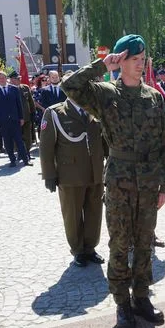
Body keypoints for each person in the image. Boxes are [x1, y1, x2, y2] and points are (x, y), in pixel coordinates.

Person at [61, 34, 165, 328]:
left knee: (144, 243)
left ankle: (141, 297)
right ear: (121, 61)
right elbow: (70, 86)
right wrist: (102, 64)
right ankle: (122, 302)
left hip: (149, 182)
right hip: (120, 181)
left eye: (142, 60)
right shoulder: (106, 94)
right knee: (121, 243)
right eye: (134, 60)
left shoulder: (152, 96)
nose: (140, 65)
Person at [39, 96, 107, 267]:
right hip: (70, 174)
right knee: (72, 215)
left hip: (95, 172)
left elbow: (104, 139)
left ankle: (90, 247)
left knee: (94, 212)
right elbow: (46, 147)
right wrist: (49, 174)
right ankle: (78, 250)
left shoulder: (94, 108)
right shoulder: (55, 113)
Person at [0, 71, 31, 167]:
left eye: (3, 77)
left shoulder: (14, 89)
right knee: (7, 142)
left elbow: (19, 104)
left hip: (15, 119)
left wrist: (21, 117)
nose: (1, 79)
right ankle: (12, 160)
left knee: (19, 141)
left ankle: (25, 160)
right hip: (2, 121)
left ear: (6, 78)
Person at [8, 71, 36, 160]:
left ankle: (27, 152)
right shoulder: (8, 89)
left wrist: (33, 113)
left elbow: (31, 102)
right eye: (17, 79)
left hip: (27, 116)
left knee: (27, 136)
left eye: (19, 78)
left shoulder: (25, 88)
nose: (19, 80)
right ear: (11, 80)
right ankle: (20, 153)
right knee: (18, 137)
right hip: (15, 118)